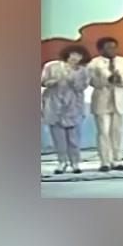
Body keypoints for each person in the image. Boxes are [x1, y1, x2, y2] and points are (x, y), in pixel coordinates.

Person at [88, 37, 123, 172]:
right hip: (102, 100)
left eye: (114, 47)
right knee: (103, 132)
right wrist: (105, 79)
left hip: (119, 101)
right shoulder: (94, 63)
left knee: (118, 132)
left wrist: (121, 79)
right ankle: (105, 161)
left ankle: (117, 160)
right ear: (100, 50)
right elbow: (92, 82)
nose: (112, 50)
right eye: (108, 48)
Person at [41, 45, 91, 174]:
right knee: (58, 137)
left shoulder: (84, 71)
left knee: (74, 137)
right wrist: (51, 82)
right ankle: (61, 162)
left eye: (79, 55)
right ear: (67, 54)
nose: (75, 58)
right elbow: (43, 82)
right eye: (73, 54)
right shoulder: (51, 66)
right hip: (54, 104)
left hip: (73, 105)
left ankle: (75, 163)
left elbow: (82, 87)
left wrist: (73, 81)